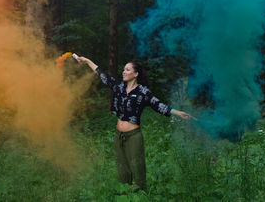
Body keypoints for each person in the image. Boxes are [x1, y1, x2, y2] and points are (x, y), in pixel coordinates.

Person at [75, 55, 191, 191]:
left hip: (133, 136)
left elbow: (158, 105)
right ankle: (125, 195)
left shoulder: (143, 92)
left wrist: (178, 113)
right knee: (122, 169)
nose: (123, 72)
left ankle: (141, 194)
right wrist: (87, 61)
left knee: (138, 168)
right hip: (118, 136)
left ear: (135, 74)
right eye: (123, 69)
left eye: (127, 69)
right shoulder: (119, 87)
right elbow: (103, 75)